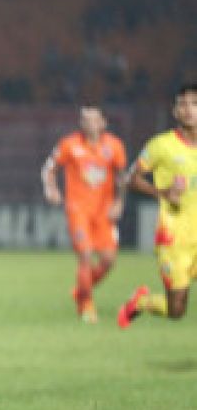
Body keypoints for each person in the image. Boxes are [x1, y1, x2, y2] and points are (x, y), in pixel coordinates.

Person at [117, 83, 197, 327]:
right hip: (174, 238)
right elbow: (130, 179)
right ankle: (141, 302)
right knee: (177, 310)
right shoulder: (161, 145)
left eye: (195, 104)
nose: (189, 110)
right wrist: (162, 192)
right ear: (175, 111)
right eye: (183, 104)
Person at [41, 104, 127, 323]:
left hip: (103, 212)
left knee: (108, 261)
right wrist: (51, 189)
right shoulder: (69, 144)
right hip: (78, 210)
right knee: (86, 255)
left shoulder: (114, 146)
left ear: (103, 122)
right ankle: (86, 304)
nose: (89, 123)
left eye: (93, 119)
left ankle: (81, 290)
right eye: (84, 119)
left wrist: (119, 203)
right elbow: (49, 168)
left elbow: (121, 178)